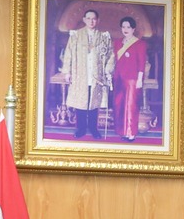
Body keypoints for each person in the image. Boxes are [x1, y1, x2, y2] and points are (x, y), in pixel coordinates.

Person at [59, 8, 114, 139]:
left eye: (94, 19)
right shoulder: (76, 35)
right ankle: (81, 128)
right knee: (81, 102)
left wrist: (108, 71)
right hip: (80, 74)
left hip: (97, 75)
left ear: (98, 20)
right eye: (88, 18)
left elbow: (111, 55)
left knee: (94, 102)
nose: (91, 21)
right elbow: (68, 54)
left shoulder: (104, 37)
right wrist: (67, 72)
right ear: (84, 20)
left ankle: (94, 129)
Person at [113, 17, 149, 142]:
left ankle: (131, 133)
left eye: (128, 27)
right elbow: (115, 61)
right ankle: (122, 131)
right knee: (119, 105)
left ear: (133, 29)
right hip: (119, 78)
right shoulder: (117, 43)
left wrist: (139, 79)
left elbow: (141, 63)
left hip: (132, 79)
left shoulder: (140, 44)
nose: (125, 29)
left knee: (130, 106)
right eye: (123, 27)